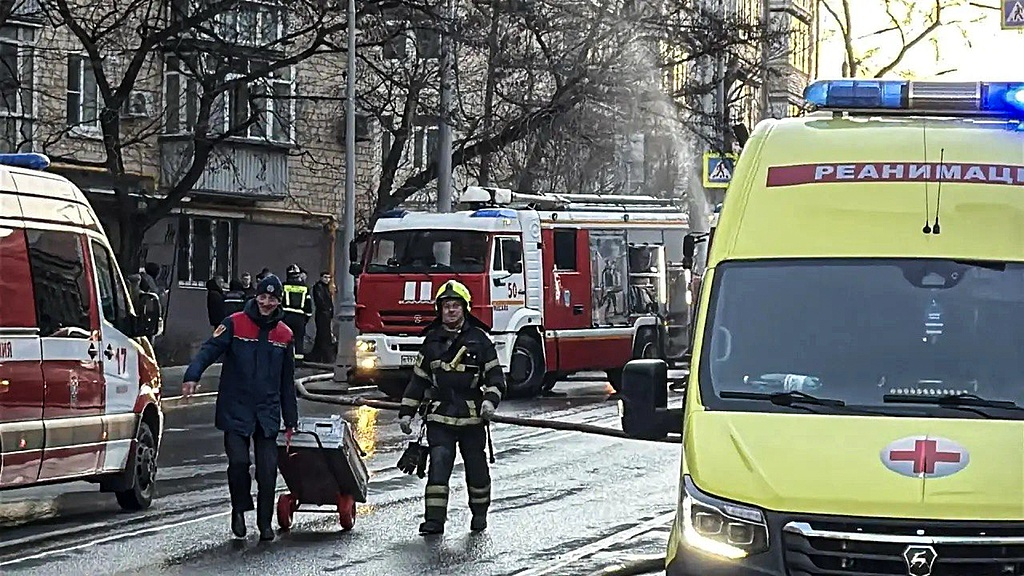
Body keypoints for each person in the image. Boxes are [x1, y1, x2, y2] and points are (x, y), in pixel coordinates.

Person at [182, 274, 298, 542]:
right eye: (262, 297)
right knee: (239, 463)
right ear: (255, 297)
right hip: (236, 407)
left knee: (268, 470)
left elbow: (286, 383)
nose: (266, 303)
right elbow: (209, 350)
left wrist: (290, 420)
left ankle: (264, 522)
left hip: (267, 412)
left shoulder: (284, 334)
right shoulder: (234, 323)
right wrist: (192, 375)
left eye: (272, 299)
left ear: (279, 301)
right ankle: (239, 509)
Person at [397, 280, 506, 535]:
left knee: (477, 469)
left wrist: (490, 401)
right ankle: (434, 521)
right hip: (440, 415)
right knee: (439, 465)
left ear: (464, 309)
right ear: (440, 309)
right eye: (447, 306)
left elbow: (496, 379)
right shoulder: (431, 341)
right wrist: (405, 414)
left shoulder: (480, 340)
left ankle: (479, 515)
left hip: (472, 418)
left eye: (456, 306)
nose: (451, 310)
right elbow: (418, 381)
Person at [281, 264, 313, 361]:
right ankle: (298, 360)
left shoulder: (284, 286)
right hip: (300, 317)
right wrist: (306, 318)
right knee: (299, 339)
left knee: (285, 338)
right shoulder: (304, 288)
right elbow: (308, 305)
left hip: (286, 316)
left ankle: (285, 358)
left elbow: (280, 301)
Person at [309, 271, 336, 363]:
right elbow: (321, 302)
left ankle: (317, 356)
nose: (327, 279)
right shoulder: (319, 287)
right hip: (322, 315)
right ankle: (325, 357)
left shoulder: (325, 288)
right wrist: (327, 310)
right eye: (325, 277)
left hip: (325, 314)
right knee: (324, 335)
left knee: (321, 336)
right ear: (321, 277)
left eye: (328, 278)